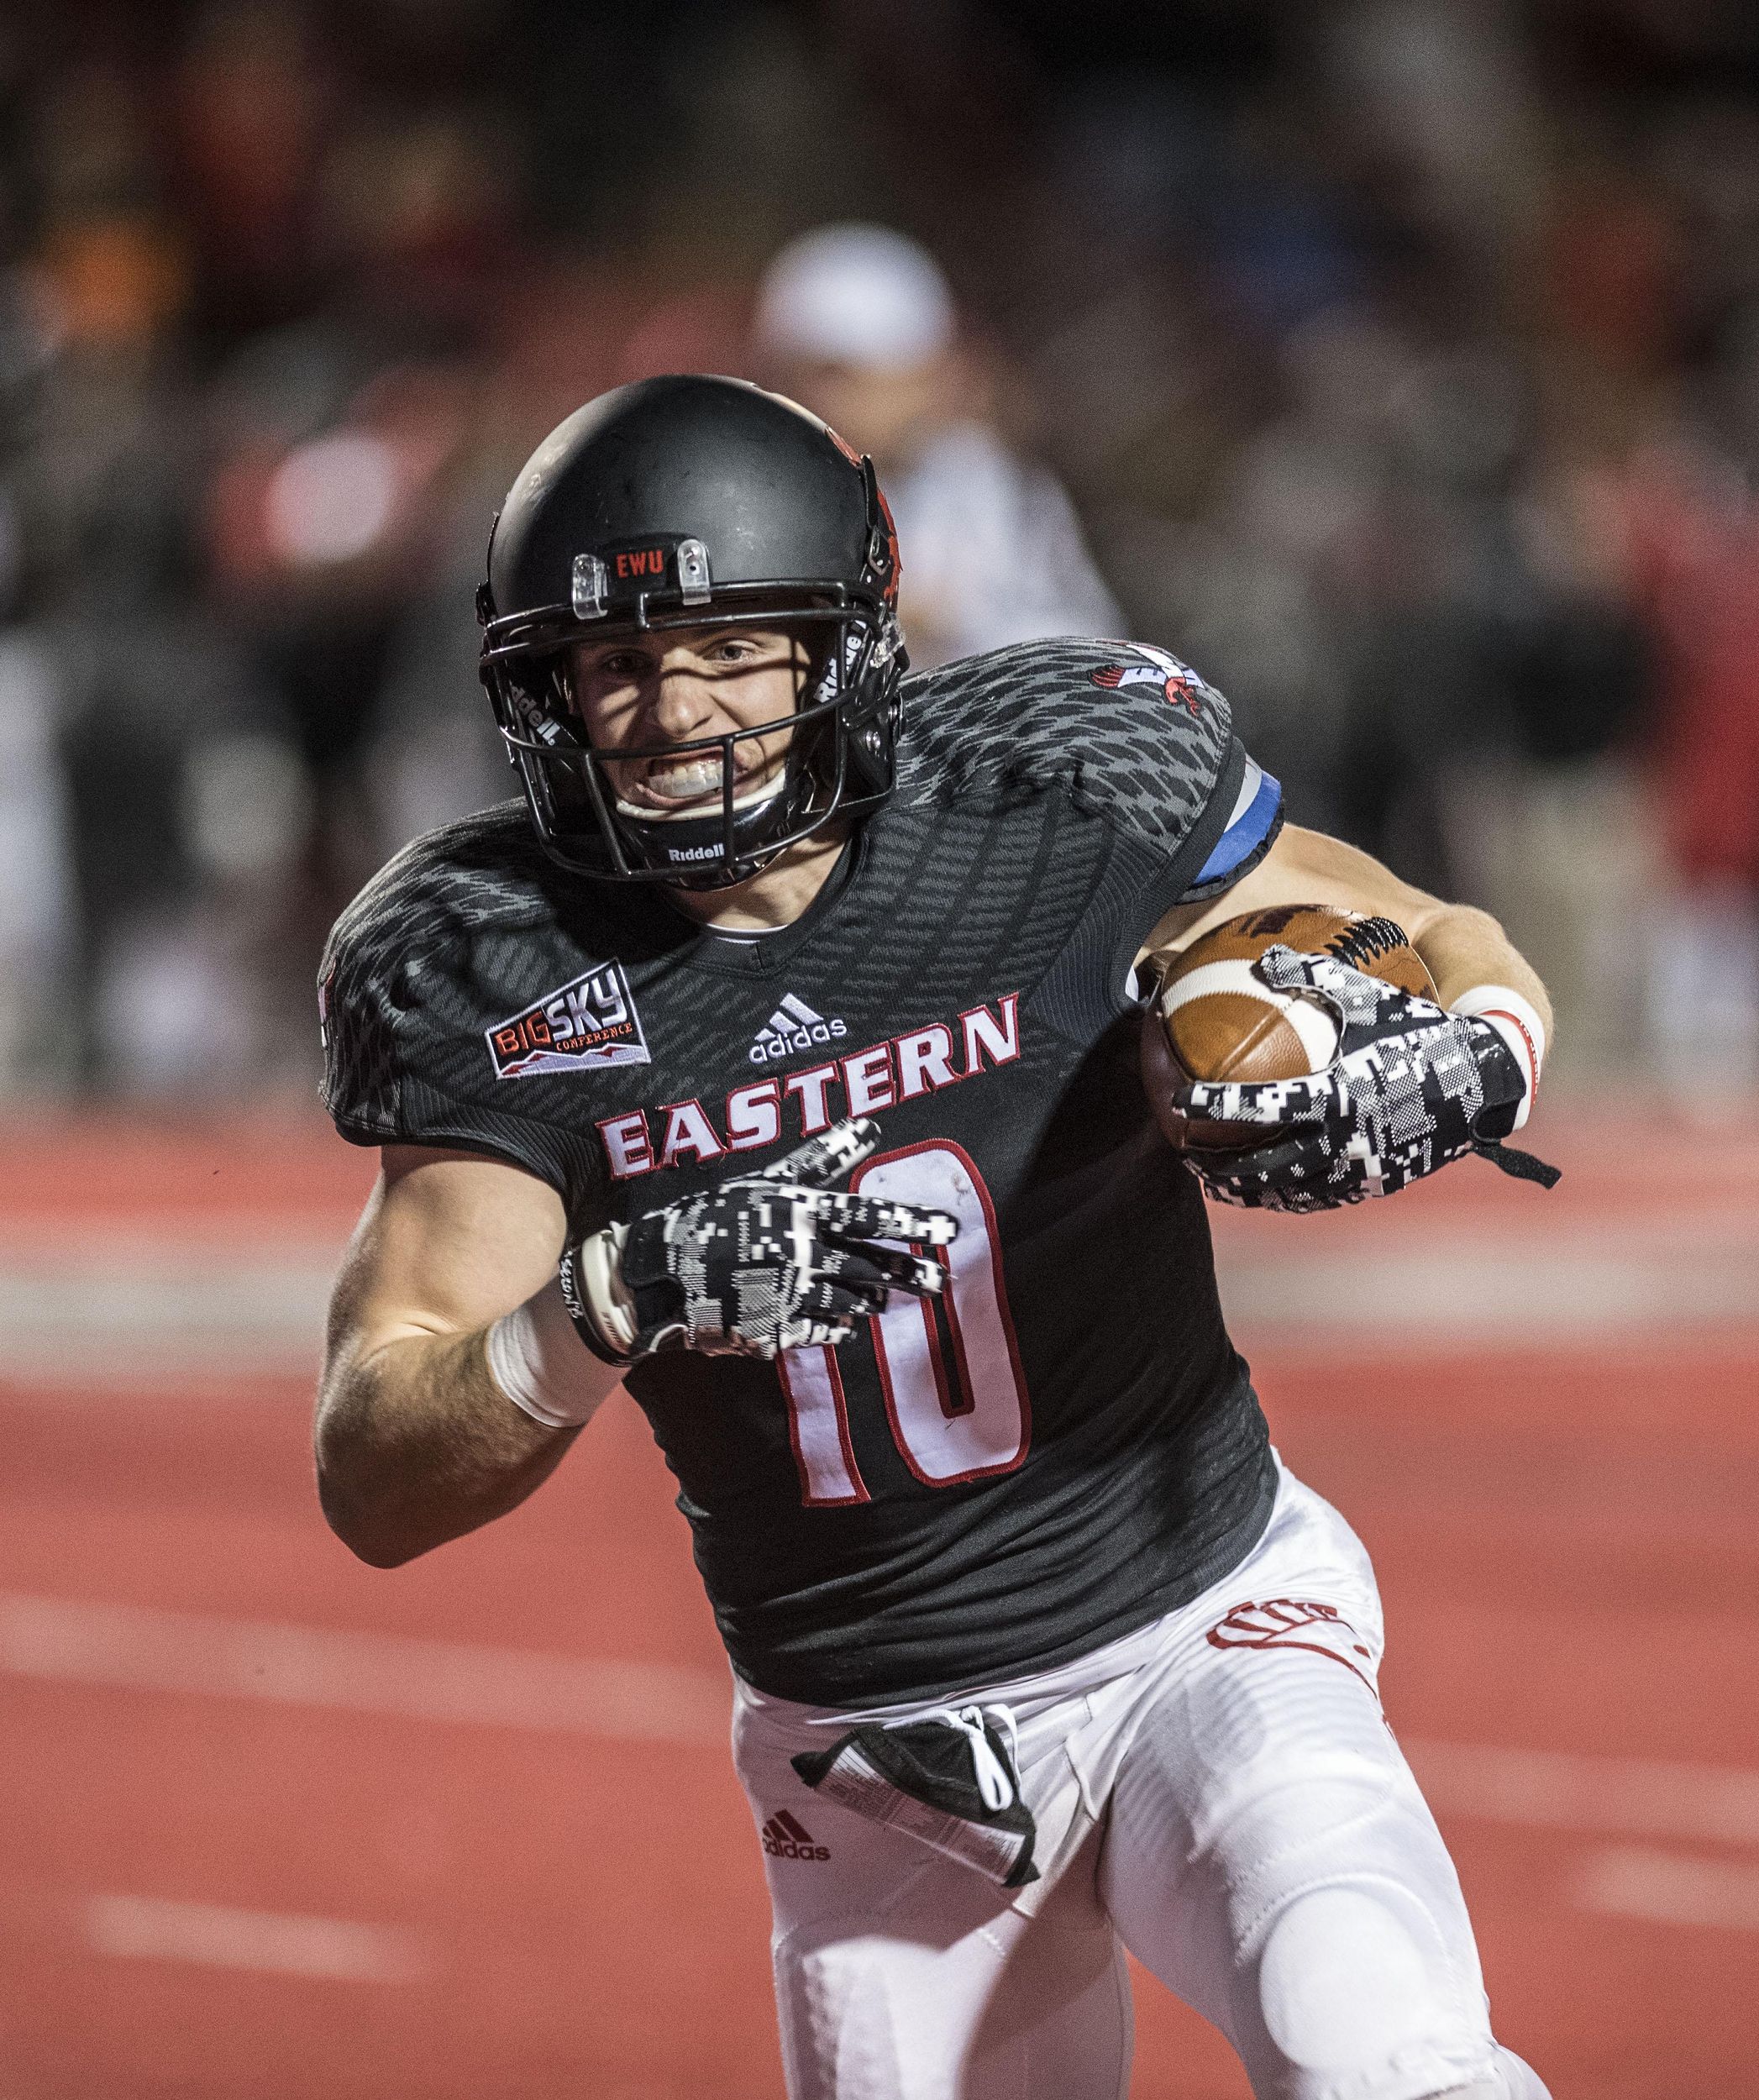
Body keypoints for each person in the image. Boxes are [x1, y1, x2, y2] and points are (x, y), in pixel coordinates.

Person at [312, 375, 1557, 2100]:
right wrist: (602, 1300)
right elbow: (376, 1467)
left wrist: (1482, 1045)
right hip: (873, 1759)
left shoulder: (1045, 778)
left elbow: (1412, 924)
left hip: (1194, 1618)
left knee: (1392, 2057)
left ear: (843, 642)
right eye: (610, 661)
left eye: (730, 643)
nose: (671, 708)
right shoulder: (495, 960)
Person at [752, 222, 1123, 664]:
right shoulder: (753, 491)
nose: (818, 399)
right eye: (808, 377)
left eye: (916, 373)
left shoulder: (991, 485)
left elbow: (1086, 656)